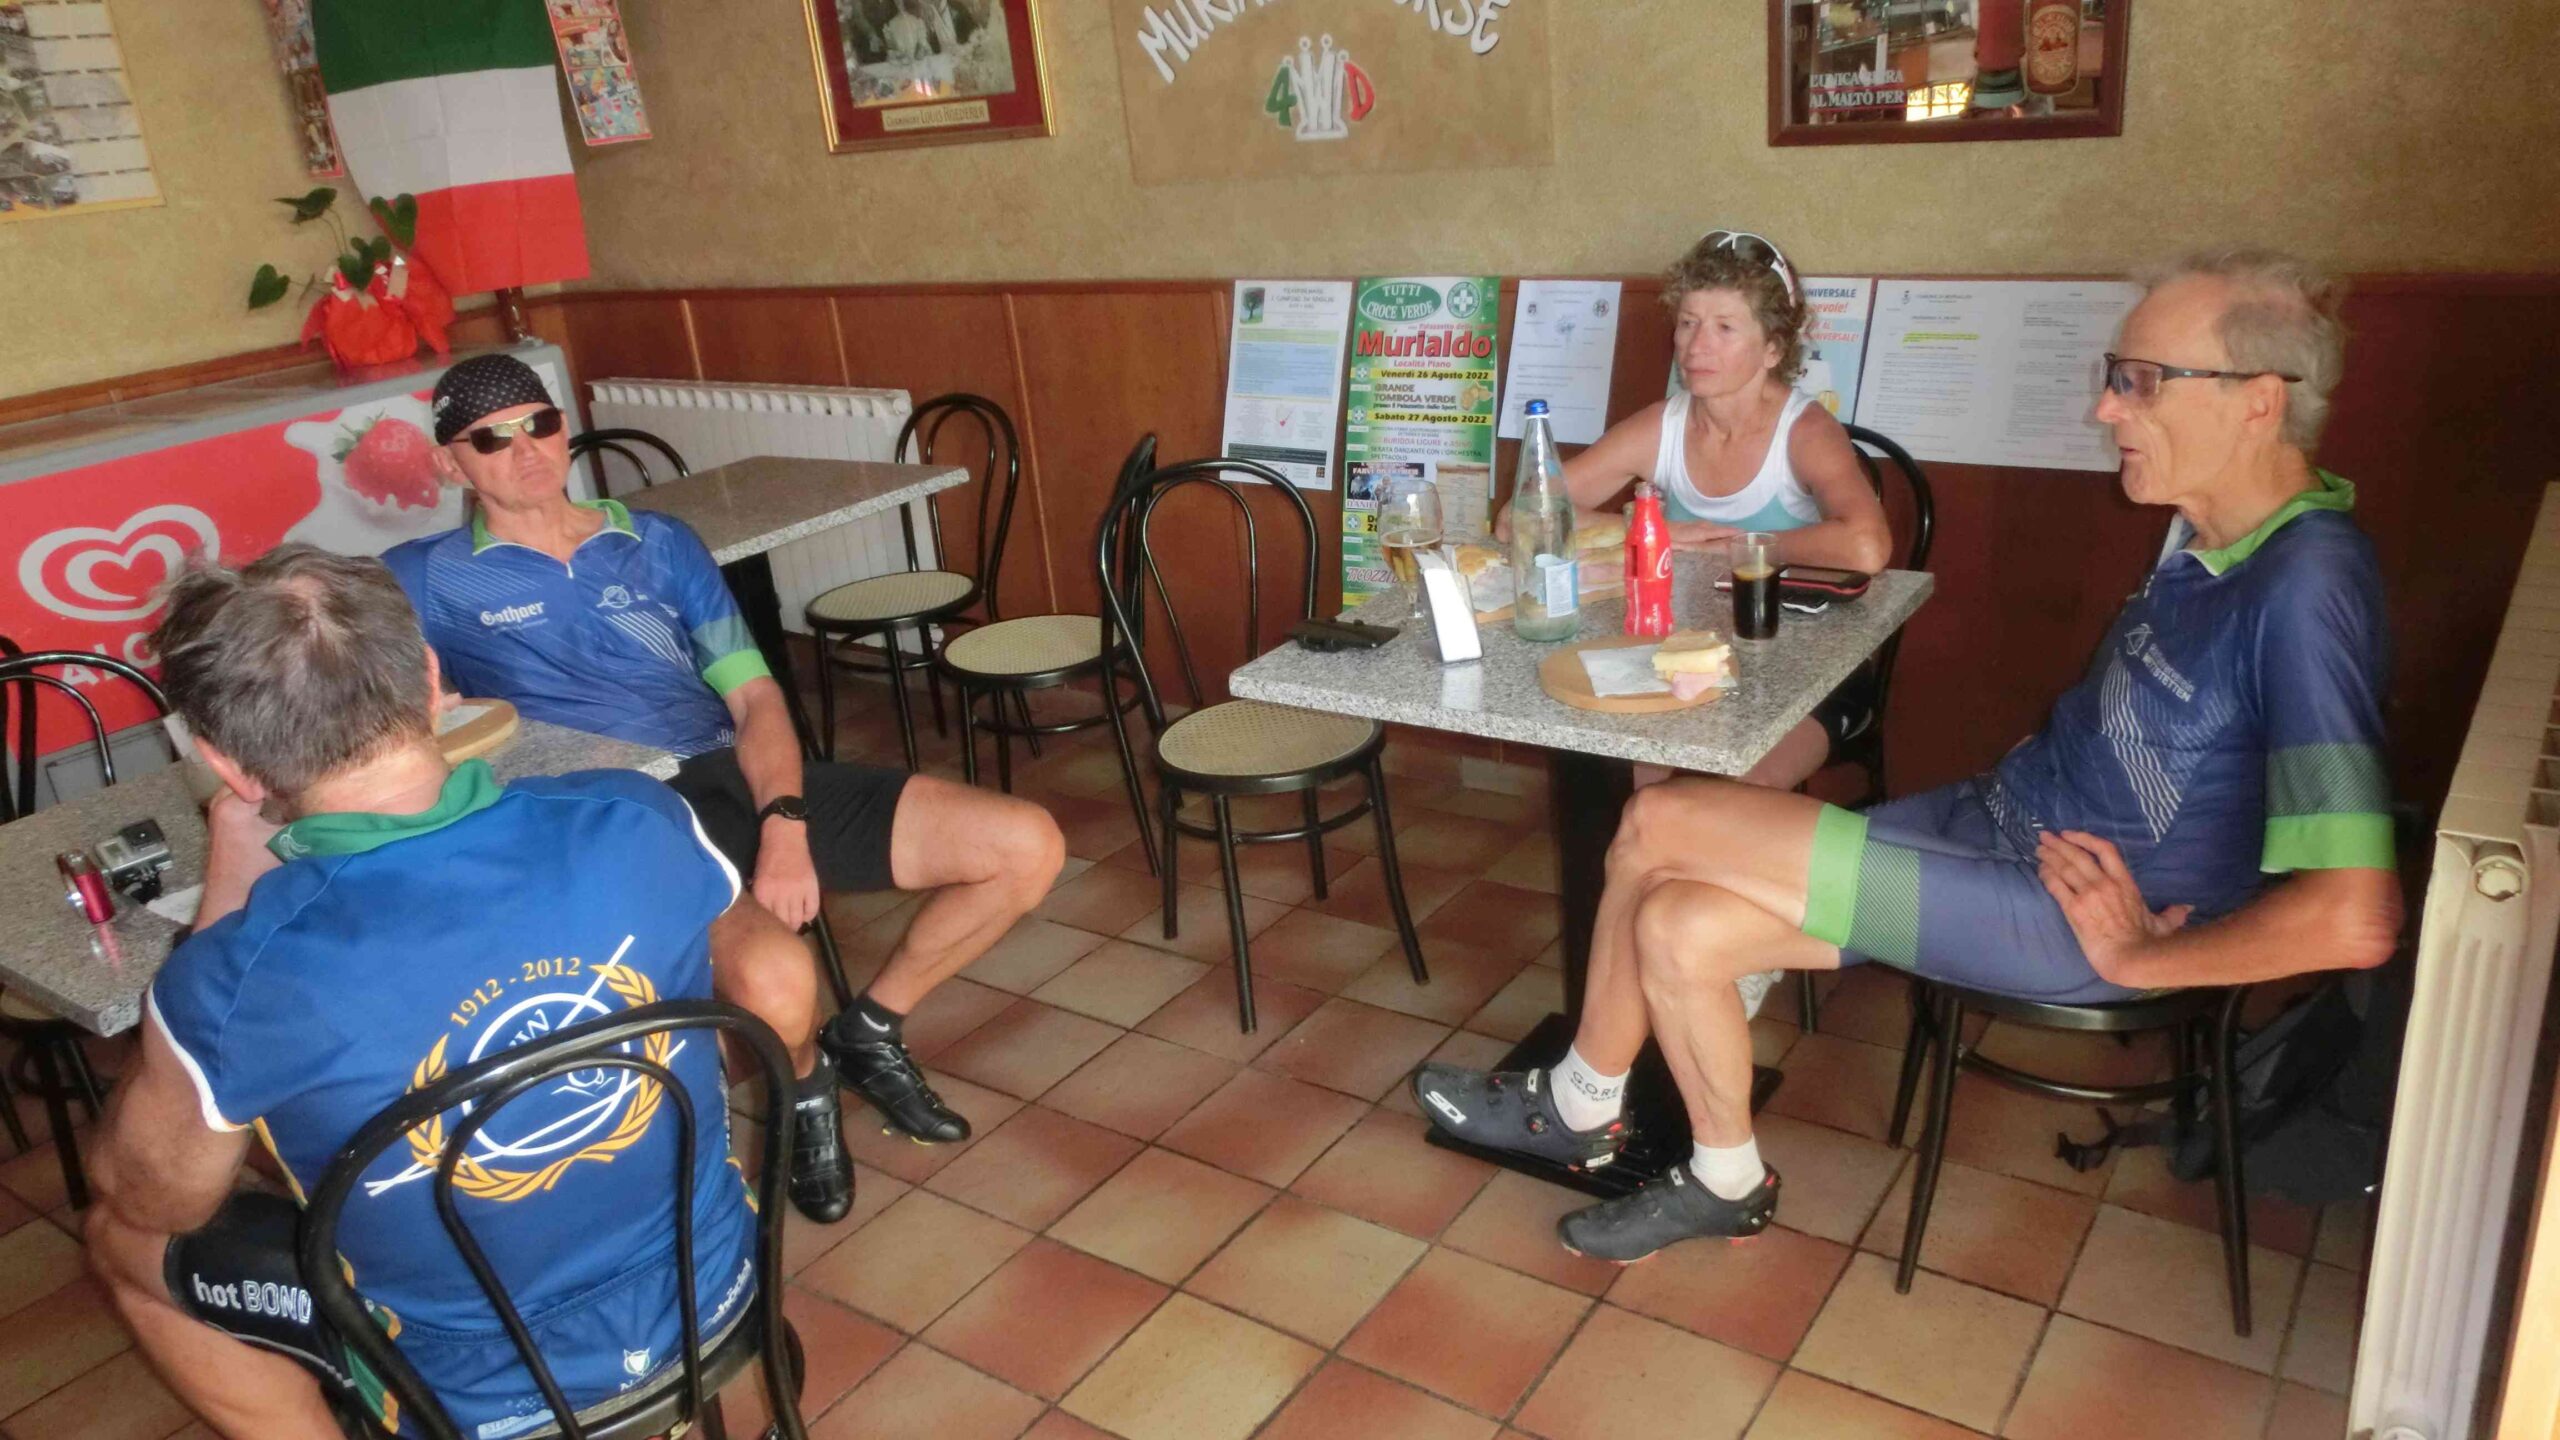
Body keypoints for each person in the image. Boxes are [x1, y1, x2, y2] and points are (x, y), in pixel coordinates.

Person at [1416, 249, 2404, 1261]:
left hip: (2053, 914)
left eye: (2141, 381)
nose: (2105, 408)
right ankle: (1725, 1179)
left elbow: (2355, 915)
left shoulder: (2306, 584)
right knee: (1677, 923)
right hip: (1998, 830)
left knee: (1658, 820)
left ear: (2258, 402)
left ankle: (1578, 1103)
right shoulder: (2209, 535)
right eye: (2116, 376)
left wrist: (2145, 958)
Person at [83, 546, 833, 1439]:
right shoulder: (633, 814)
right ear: (435, 683)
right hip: (715, 1296)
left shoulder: (229, 979)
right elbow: (776, 976)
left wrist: (225, 889)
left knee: (118, 1240)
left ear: (227, 766)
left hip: (472, 1399)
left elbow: (155, 1200)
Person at [385, 354, 1064, 1147]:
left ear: (565, 428)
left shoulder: (659, 542)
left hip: (728, 775)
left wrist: (785, 824)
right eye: (491, 439)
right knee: (776, 983)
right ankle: (804, 1087)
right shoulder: (421, 579)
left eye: (540, 423)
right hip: (618, 821)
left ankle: (869, 1030)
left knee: (1025, 846)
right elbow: (369, 712)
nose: (526, 449)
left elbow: (754, 698)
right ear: (450, 464)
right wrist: (425, 714)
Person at [1549, 229, 1895, 790]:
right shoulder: (1662, 425)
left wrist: (1739, 546)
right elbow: (1526, 515)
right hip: (1684, 656)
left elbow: (1866, 546)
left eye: (1725, 327)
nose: (1696, 346)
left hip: (1805, 670)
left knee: (1724, 801)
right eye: (1688, 322)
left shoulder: (1805, 430)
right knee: (1615, 770)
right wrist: (1655, 531)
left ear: (1773, 348)